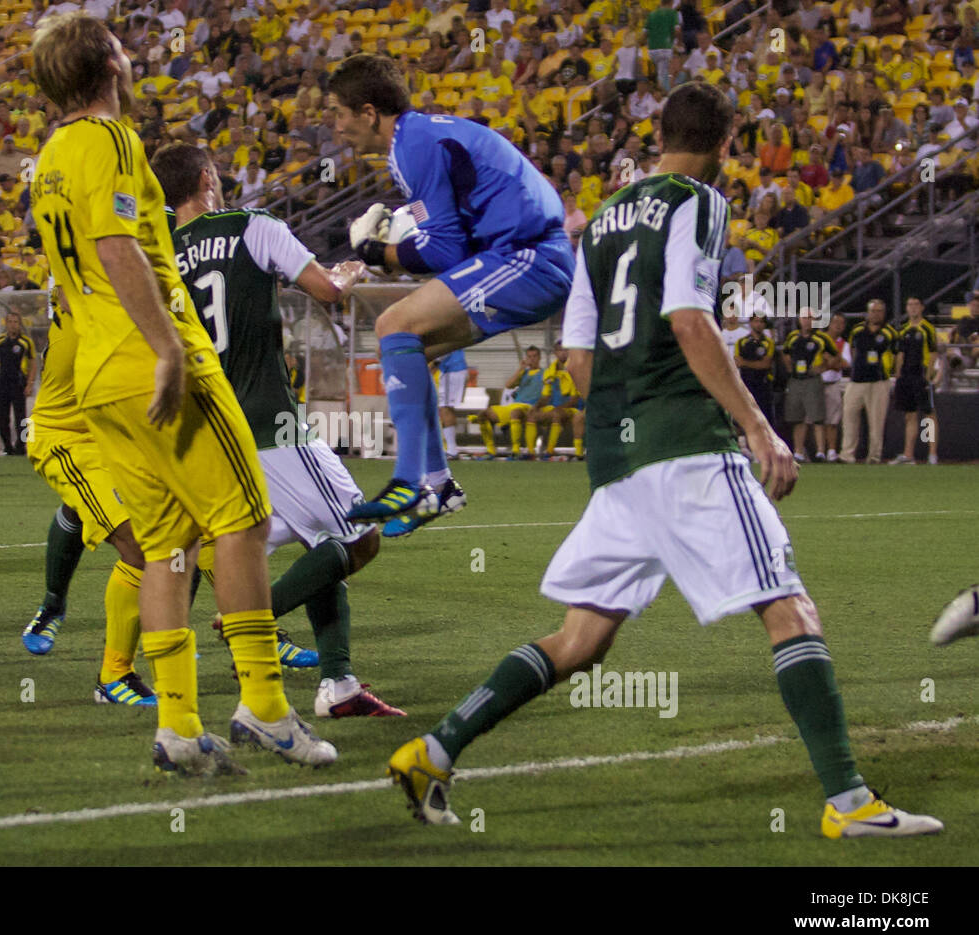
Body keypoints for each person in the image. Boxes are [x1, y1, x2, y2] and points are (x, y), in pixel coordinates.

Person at [386, 81, 942, 839]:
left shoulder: (606, 218)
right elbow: (689, 318)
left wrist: (623, 426)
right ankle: (850, 803)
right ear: (727, 139)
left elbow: (577, 357)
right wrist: (757, 426)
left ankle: (435, 748)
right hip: (684, 445)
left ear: (659, 134)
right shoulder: (697, 200)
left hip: (619, 455)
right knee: (787, 606)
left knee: (580, 639)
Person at [29, 12, 335, 774]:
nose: (132, 58)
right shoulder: (110, 140)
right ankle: (264, 707)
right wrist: (168, 346)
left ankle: (176, 724)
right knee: (244, 517)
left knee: (168, 543)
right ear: (106, 63)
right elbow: (115, 244)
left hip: (98, 376)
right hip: (152, 358)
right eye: (122, 49)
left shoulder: (49, 158)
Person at [153, 142, 404, 717]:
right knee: (363, 534)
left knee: (316, 541)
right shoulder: (253, 225)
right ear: (207, 177)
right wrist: (353, 266)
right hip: (272, 422)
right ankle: (255, 615)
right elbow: (327, 290)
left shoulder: (160, 252)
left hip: (208, 431)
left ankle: (339, 685)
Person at [329, 54, 573, 533]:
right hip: (519, 253)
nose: (337, 129)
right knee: (405, 346)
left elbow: (443, 251)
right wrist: (393, 246)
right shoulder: (418, 139)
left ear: (369, 112)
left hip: (530, 255)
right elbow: (448, 245)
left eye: (339, 113)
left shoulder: (412, 147)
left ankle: (408, 480)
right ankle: (438, 487)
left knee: (392, 325)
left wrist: (378, 252)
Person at [20, 283, 156, 707]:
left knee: (183, 529)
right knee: (136, 542)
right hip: (67, 437)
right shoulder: (85, 286)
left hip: (117, 433)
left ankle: (160, 629)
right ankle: (113, 676)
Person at [838, 300, 897, 464]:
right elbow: (852, 350)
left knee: (876, 421)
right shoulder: (857, 330)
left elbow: (896, 353)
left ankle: (874, 456)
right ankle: (847, 454)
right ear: (868, 313)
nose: (876, 314)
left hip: (878, 381)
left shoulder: (889, 332)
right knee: (849, 416)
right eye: (873, 311)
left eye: (879, 311)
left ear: (884, 313)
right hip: (856, 380)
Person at [781, 308, 836, 462]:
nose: (807, 321)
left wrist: (824, 367)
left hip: (812, 379)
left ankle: (820, 451)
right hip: (796, 379)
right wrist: (789, 368)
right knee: (797, 417)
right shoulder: (792, 337)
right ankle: (798, 451)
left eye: (810, 318)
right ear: (799, 319)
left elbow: (834, 356)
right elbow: (785, 352)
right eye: (805, 317)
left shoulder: (821, 338)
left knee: (817, 416)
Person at [889, 297, 939, 465]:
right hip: (906, 376)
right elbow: (900, 354)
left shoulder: (927, 328)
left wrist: (928, 375)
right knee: (909, 415)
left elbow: (933, 353)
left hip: (920, 374)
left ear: (922, 307)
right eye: (909, 305)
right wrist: (898, 374)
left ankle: (932, 453)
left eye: (916, 304)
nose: (912, 308)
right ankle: (908, 454)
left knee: (928, 414)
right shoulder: (903, 330)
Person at [473, 346, 546, 461]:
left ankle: (516, 451)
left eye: (534, 356)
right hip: (513, 406)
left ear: (540, 358)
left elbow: (546, 393)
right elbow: (508, 385)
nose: (531, 359)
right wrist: (520, 369)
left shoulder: (544, 373)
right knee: (484, 413)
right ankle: (491, 450)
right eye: (529, 356)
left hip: (529, 407)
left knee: (515, 413)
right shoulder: (523, 373)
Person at [0, 313, 36, 454]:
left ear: (19, 324)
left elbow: (33, 364)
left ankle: (21, 447)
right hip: (2, 383)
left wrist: (30, 384)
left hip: (18, 383)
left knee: (21, 418)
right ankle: (8, 447)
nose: (12, 324)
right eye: (10, 321)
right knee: (2, 417)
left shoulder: (26, 342)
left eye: (15, 321)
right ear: (6, 323)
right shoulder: (0, 341)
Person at [531, 343, 584, 461]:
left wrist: (559, 408)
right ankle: (529, 453)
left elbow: (575, 399)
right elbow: (546, 396)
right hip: (554, 408)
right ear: (555, 352)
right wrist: (536, 406)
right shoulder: (550, 372)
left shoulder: (575, 369)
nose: (563, 353)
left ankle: (552, 451)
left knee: (556, 414)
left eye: (565, 350)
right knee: (532, 415)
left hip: (572, 409)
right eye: (559, 350)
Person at [735, 312, 776, 428]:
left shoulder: (768, 342)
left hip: (763, 383)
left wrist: (746, 363)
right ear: (751, 323)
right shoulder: (741, 342)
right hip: (746, 382)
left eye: (761, 322)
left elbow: (765, 364)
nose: (758, 324)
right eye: (756, 321)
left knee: (765, 414)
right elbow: (738, 362)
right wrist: (754, 364)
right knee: (746, 412)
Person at [820, 313, 849, 457]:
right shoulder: (819, 340)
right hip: (817, 383)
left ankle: (831, 450)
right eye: (836, 322)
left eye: (842, 323)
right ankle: (820, 451)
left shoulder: (844, 344)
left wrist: (828, 360)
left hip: (833, 383)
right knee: (817, 420)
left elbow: (844, 364)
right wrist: (833, 361)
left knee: (832, 419)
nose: (838, 325)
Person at [435, 349, 467, 459]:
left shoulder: (441, 332)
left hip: (452, 370)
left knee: (445, 408)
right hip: (453, 369)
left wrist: (434, 364)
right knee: (447, 408)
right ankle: (451, 449)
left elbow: (444, 350)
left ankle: (452, 450)